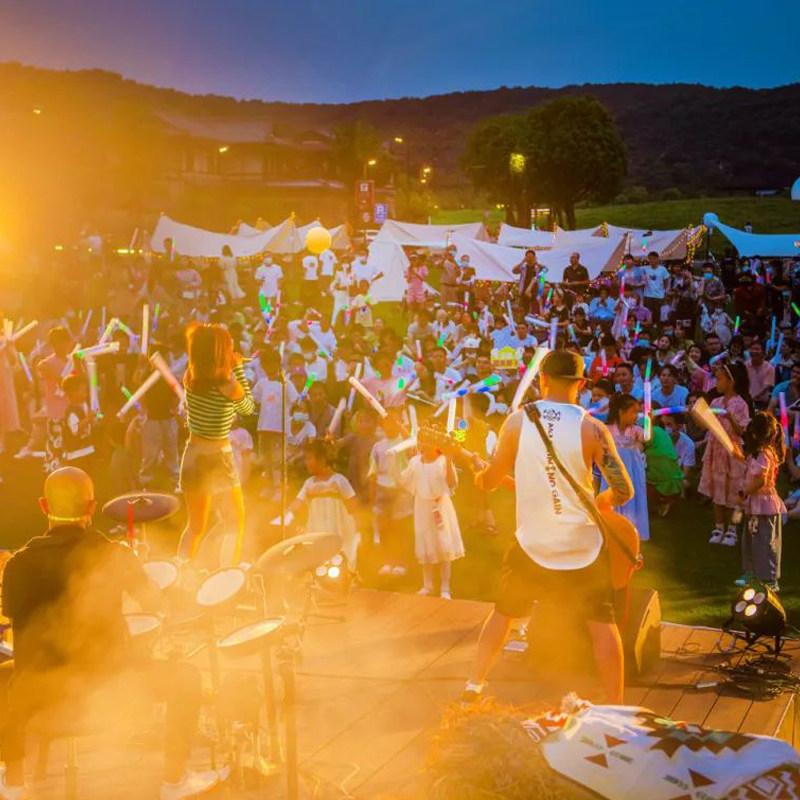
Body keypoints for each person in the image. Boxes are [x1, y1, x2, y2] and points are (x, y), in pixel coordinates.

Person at [0, 467, 222, 800]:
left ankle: (14, 783)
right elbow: (155, 601)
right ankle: (174, 782)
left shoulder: (18, 565)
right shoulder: (114, 554)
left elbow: (14, 620)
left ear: (44, 506)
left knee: (5, 675)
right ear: (92, 508)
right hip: (109, 692)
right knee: (187, 677)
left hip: (41, 697)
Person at [464, 351, 633, 705]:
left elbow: (490, 481)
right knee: (602, 624)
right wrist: (599, 501)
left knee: (504, 614)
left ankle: (475, 685)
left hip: (534, 544)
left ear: (542, 379)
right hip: (582, 546)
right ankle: (616, 706)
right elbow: (623, 490)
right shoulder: (593, 429)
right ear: (581, 384)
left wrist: (477, 475)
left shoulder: (516, 422)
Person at [177, 323, 255, 564]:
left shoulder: (190, 377)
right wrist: (238, 368)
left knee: (195, 526)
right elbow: (248, 407)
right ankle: (227, 575)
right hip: (217, 456)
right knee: (234, 523)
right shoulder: (228, 385)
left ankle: (181, 571)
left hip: (192, 453)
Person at [395, 437, 463, 599]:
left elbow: (451, 483)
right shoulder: (415, 462)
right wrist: (392, 461)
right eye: (422, 441)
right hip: (422, 507)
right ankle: (427, 585)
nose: (423, 445)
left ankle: (445, 588)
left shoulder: (442, 461)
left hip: (440, 506)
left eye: (427, 442)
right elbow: (403, 479)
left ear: (435, 445)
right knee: (425, 542)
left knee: (443, 544)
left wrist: (449, 461)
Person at [698, 361, 751, 547]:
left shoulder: (741, 404)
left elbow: (741, 431)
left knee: (733, 490)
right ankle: (719, 527)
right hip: (716, 450)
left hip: (732, 452)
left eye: (720, 379)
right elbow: (705, 424)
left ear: (731, 381)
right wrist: (698, 414)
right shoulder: (716, 402)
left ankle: (732, 530)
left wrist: (729, 417)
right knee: (717, 489)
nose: (716, 383)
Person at [289, 439, 360, 568]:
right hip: (316, 531)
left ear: (322, 459)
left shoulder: (339, 480)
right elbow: (297, 502)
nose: (306, 463)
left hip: (337, 531)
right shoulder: (309, 483)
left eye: (309, 458)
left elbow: (353, 505)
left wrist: (356, 529)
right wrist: (285, 514)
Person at [736, 412, 786, 591]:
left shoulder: (765, 454)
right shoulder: (758, 454)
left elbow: (761, 480)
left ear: (756, 434)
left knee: (766, 541)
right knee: (750, 539)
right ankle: (751, 572)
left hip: (765, 506)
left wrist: (744, 492)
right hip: (756, 505)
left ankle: (770, 579)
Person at [603, 394, 649, 541]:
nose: (637, 416)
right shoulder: (607, 429)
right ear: (621, 412)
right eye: (633, 412)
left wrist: (649, 421)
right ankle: (612, 528)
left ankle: (630, 528)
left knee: (631, 494)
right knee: (614, 494)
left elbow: (646, 438)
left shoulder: (635, 430)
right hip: (614, 467)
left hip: (632, 468)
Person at [642, 251, 670, 322]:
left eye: (654, 258)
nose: (652, 260)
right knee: (647, 315)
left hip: (659, 296)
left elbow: (666, 282)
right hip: (648, 296)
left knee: (657, 315)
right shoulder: (645, 269)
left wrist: (665, 293)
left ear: (658, 259)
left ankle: (656, 327)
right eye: (650, 259)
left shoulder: (663, 269)